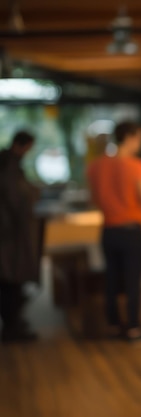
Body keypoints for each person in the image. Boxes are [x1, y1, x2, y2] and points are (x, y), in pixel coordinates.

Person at [87, 120, 141, 342]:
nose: (140, 143)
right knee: (132, 280)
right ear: (130, 136)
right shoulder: (135, 165)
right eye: (139, 138)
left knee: (112, 278)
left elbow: (95, 199)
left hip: (108, 229)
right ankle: (134, 327)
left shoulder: (96, 165)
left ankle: (113, 325)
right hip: (131, 229)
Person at [0, 130, 39, 343]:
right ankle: (12, 326)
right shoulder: (9, 165)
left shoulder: (7, 162)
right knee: (11, 281)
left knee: (9, 281)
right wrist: (32, 196)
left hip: (7, 233)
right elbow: (15, 198)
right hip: (8, 235)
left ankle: (13, 323)